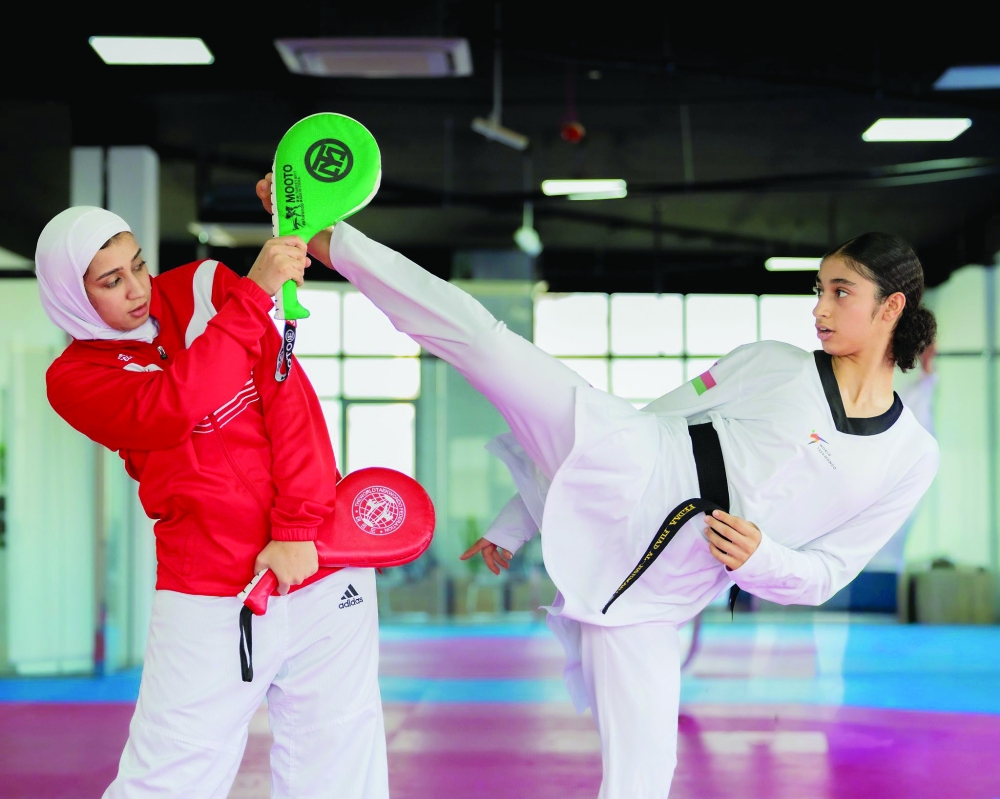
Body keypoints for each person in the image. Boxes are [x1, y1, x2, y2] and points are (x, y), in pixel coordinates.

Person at [257, 177, 938, 798]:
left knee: (644, 776)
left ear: (891, 307)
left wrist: (764, 560)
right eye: (818, 289)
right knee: (482, 341)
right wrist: (518, 519)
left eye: (840, 292)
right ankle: (327, 237)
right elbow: (661, 415)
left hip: (661, 592)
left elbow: (828, 572)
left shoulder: (909, 457)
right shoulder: (773, 362)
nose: (819, 308)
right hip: (627, 456)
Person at [37, 207, 388, 799]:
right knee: (166, 777)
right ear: (72, 294)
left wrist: (298, 528)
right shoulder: (73, 380)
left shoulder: (203, 287)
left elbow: (290, 403)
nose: (138, 289)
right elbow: (171, 406)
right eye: (111, 281)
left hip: (320, 566)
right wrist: (252, 299)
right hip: (209, 589)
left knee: (339, 769)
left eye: (138, 266)